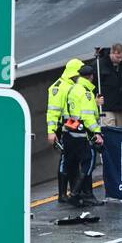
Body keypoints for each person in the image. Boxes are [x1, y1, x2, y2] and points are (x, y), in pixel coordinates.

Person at [62, 65, 104, 206]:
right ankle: (76, 193)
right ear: (91, 77)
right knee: (89, 162)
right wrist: (97, 132)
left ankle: (80, 194)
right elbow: (87, 116)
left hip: (71, 131)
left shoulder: (72, 89)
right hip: (83, 133)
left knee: (73, 162)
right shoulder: (86, 93)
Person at [46, 58, 84, 202]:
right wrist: (51, 131)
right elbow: (52, 112)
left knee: (73, 159)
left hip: (73, 127)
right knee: (65, 160)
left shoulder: (73, 85)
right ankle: (62, 194)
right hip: (63, 128)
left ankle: (73, 191)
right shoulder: (59, 87)